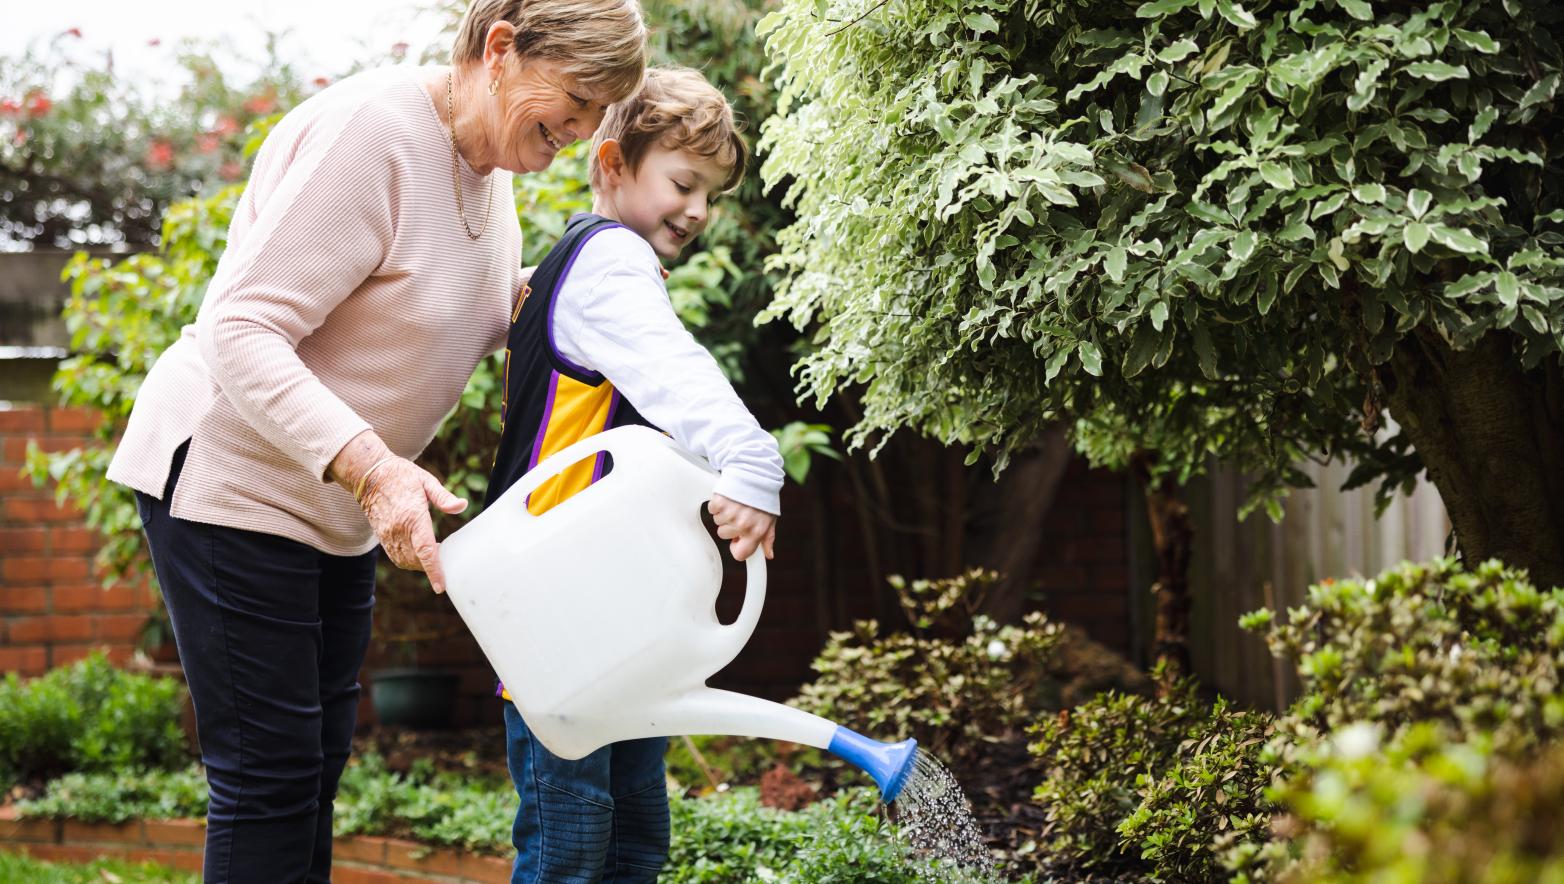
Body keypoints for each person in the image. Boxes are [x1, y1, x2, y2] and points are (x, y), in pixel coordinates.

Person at [103, 2, 648, 880]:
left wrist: (578, 296)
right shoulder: (376, 131)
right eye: (577, 100)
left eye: (597, 115)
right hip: (230, 483)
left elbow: (443, 303)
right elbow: (241, 328)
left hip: (330, 505)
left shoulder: (489, 164)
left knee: (312, 771)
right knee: (271, 776)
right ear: (501, 50)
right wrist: (370, 468)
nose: (582, 132)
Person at [484, 66, 782, 882]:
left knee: (632, 841)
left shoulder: (604, 267)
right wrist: (751, 461)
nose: (698, 211)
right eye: (684, 183)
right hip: (560, 615)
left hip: (602, 613)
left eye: (711, 194)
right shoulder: (608, 263)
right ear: (613, 164)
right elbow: (677, 374)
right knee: (574, 848)